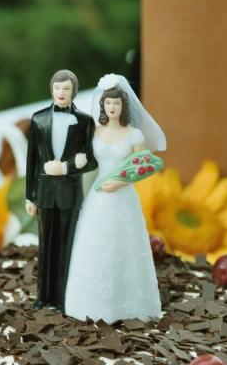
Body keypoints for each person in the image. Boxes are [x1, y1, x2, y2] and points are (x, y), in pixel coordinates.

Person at [65, 73, 166, 323]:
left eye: (117, 104)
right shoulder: (93, 132)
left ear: (124, 106)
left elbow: (143, 166)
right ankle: (87, 304)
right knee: (95, 245)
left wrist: (121, 180)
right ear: (102, 105)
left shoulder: (134, 135)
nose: (112, 107)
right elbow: (85, 161)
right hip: (98, 199)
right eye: (108, 103)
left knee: (126, 246)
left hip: (123, 199)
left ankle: (130, 306)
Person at [25, 69, 98, 312]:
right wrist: (30, 195)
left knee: (66, 247)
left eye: (66, 89)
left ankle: (63, 299)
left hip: (69, 194)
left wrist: (66, 168)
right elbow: (32, 161)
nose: (61, 93)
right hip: (44, 194)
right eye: (58, 88)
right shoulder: (37, 119)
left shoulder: (85, 122)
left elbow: (92, 161)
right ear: (52, 90)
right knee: (45, 247)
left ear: (73, 91)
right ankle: (43, 297)